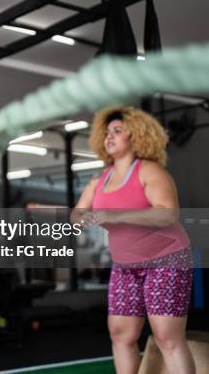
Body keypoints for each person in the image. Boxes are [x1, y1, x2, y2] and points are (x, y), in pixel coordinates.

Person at [74, 106, 195, 374]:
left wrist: (116, 217)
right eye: (106, 132)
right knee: (120, 334)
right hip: (125, 264)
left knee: (167, 337)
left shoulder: (150, 171)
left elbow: (167, 213)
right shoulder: (99, 178)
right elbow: (78, 214)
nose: (109, 136)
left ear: (137, 136)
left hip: (167, 258)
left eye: (118, 131)